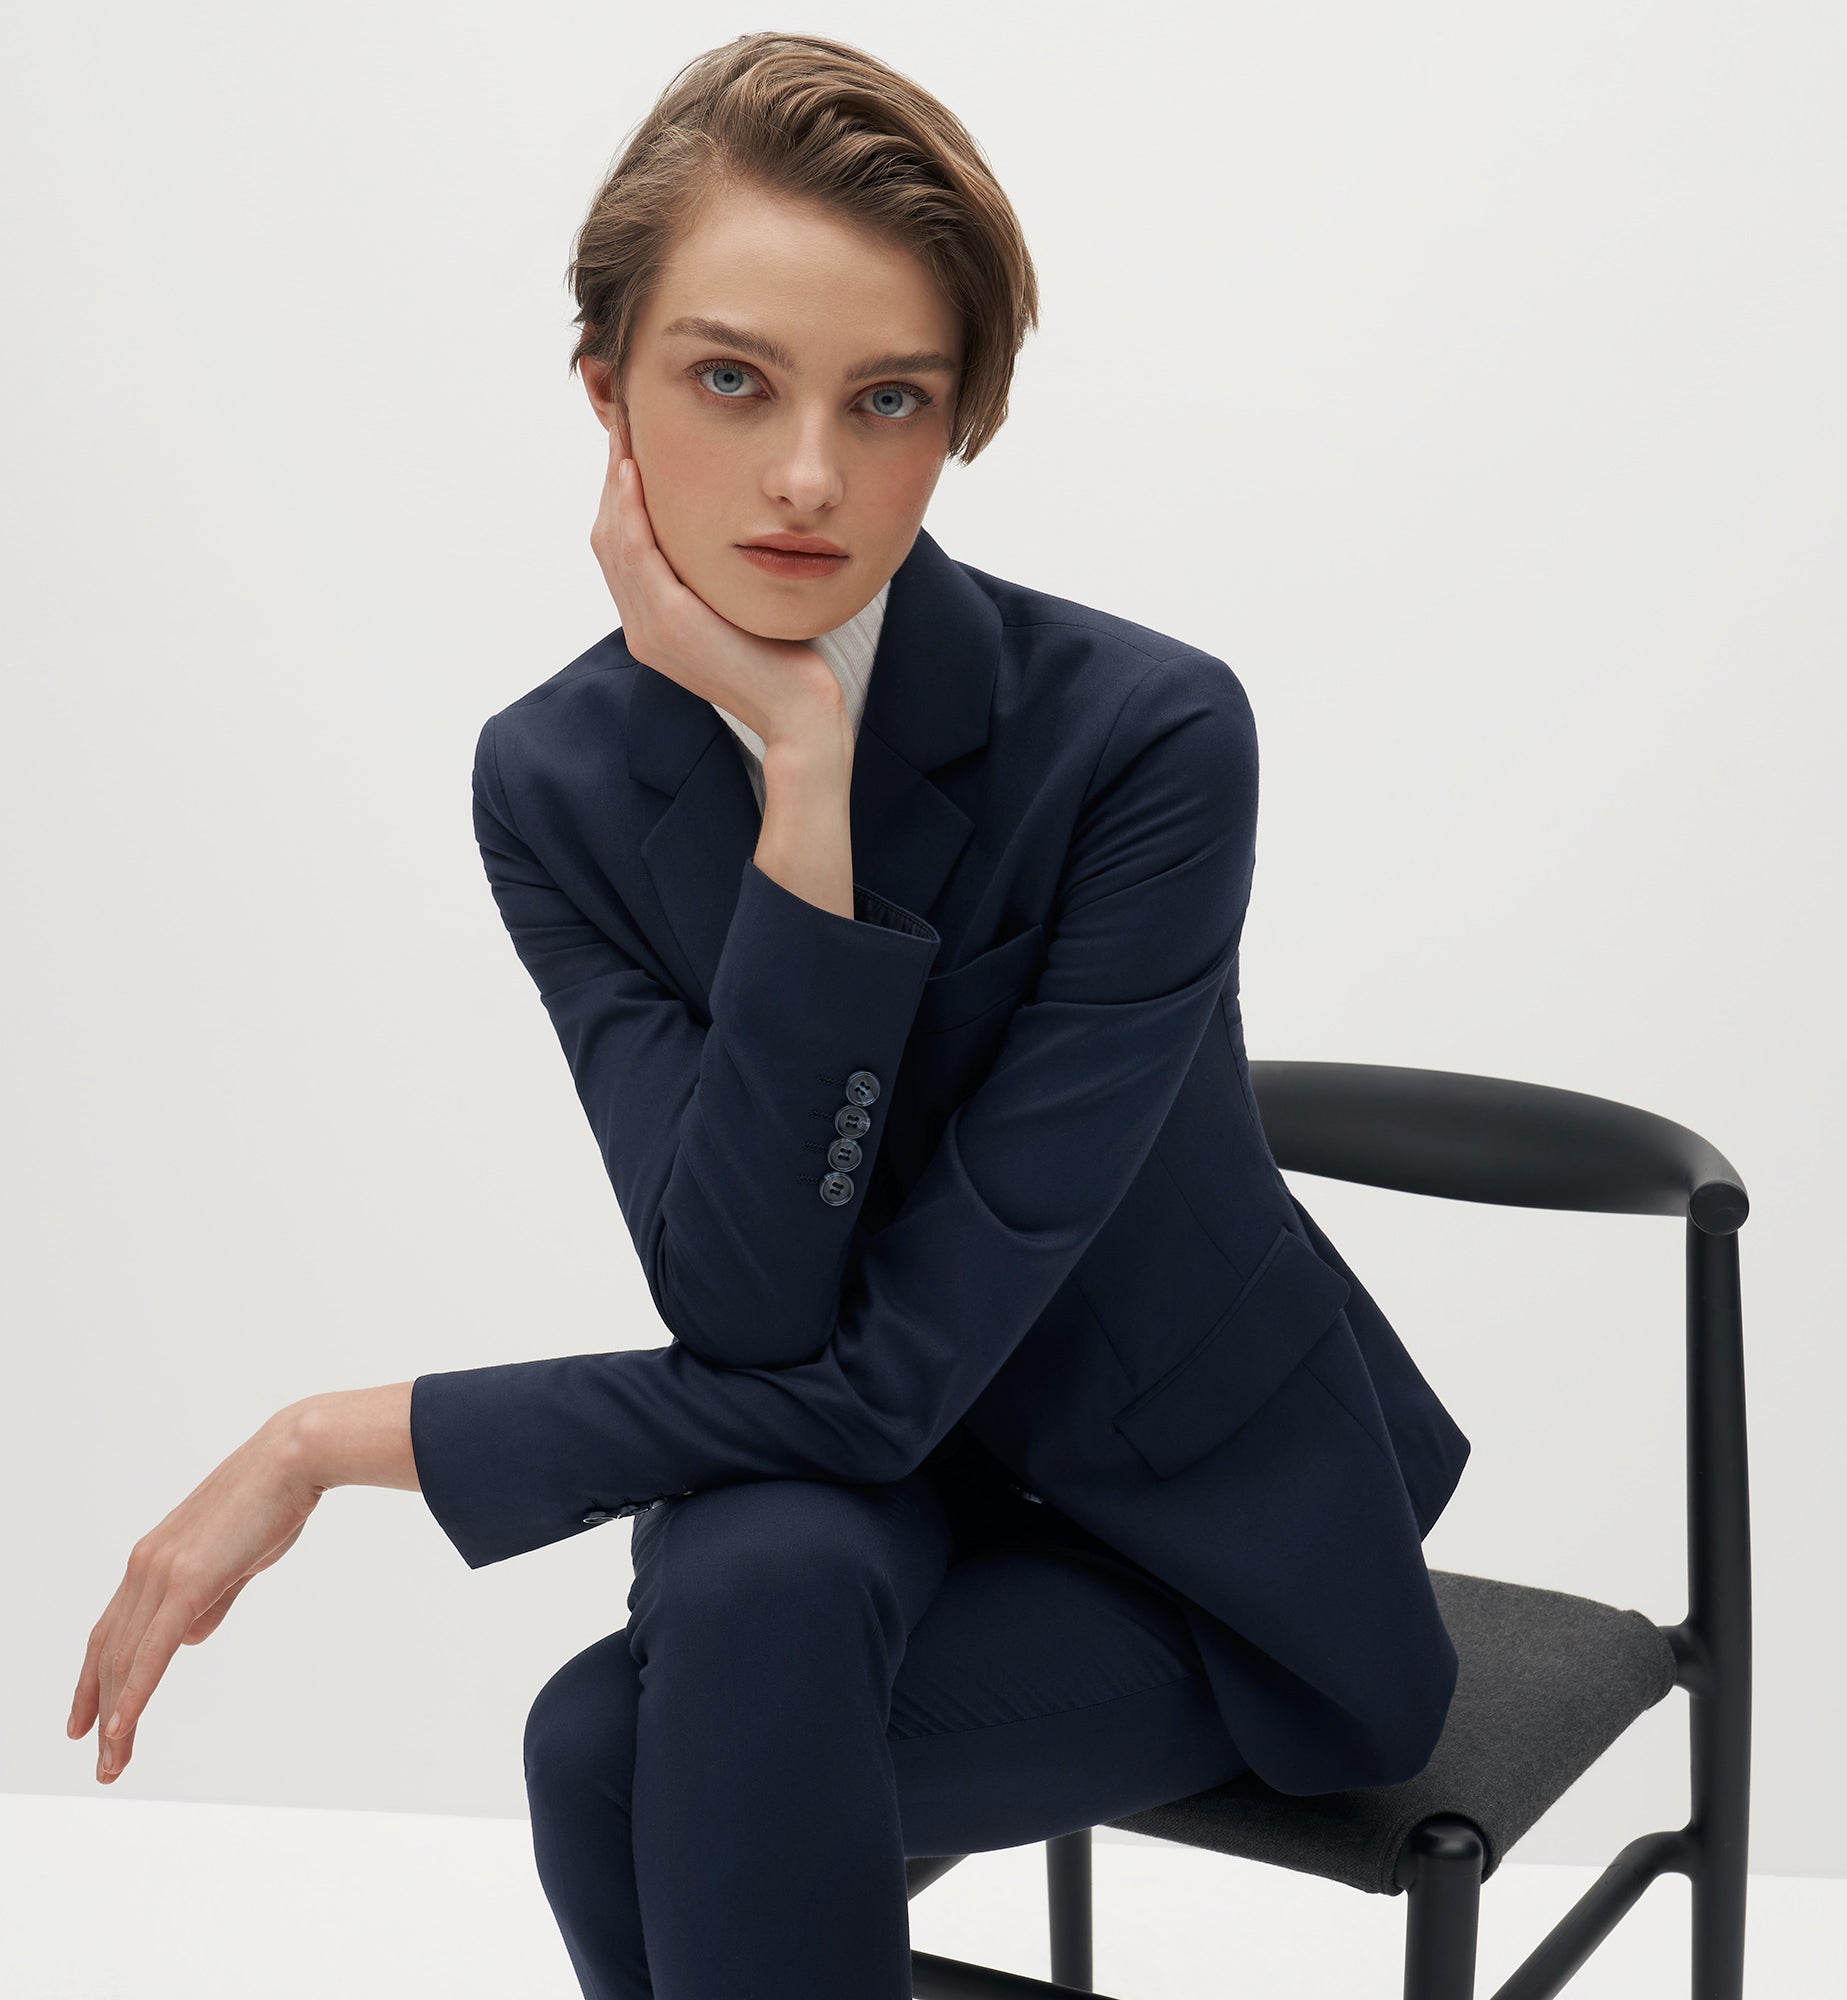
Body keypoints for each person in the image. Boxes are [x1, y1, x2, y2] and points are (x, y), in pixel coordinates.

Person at [70, 32, 1471, 2000]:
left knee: (611, 1742)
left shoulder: (1144, 742)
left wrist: (331, 1439)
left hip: (1207, 1560)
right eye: (730, 379)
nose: (808, 477)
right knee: (729, 1613)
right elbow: (745, 1304)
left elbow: (885, 1380)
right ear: (605, 392)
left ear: (956, 423)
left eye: (883, 400)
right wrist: (788, 818)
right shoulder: (552, 782)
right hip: (854, 1512)